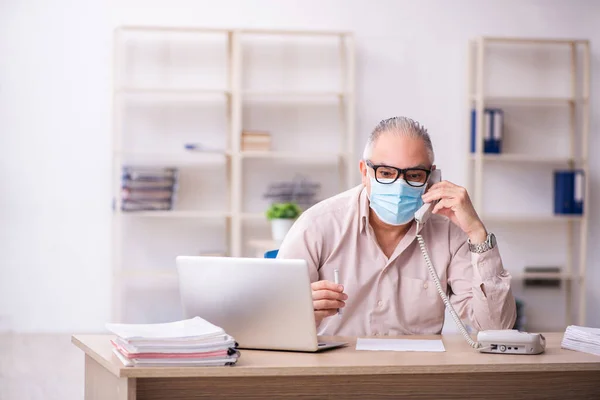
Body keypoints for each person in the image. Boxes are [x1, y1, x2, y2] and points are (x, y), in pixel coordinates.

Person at [277, 116, 517, 336]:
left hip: (416, 376)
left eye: (413, 175)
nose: (399, 186)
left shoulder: (449, 231)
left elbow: (496, 329)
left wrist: (477, 233)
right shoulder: (317, 225)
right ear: (365, 172)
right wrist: (299, 311)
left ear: (432, 178)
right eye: (386, 172)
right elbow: (275, 321)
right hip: (336, 374)